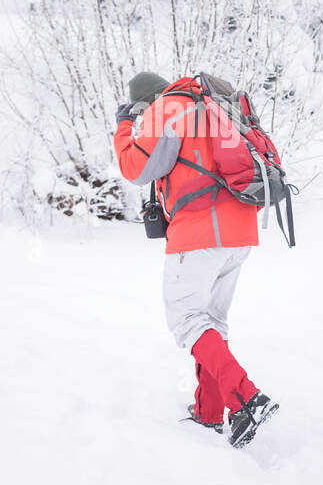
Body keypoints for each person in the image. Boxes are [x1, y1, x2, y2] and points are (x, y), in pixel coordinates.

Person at [113, 70, 278, 448]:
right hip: (240, 230)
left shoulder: (166, 108)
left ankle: (246, 397)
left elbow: (135, 168)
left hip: (202, 231)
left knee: (187, 320)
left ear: (144, 103)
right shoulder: (207, 104)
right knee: (210, 322)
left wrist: (124, 128)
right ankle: (209, 412)